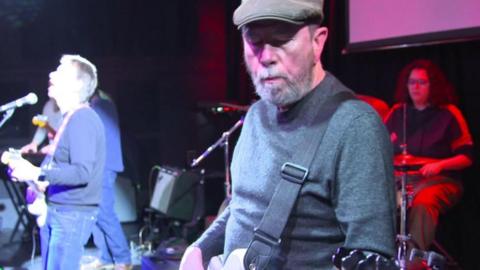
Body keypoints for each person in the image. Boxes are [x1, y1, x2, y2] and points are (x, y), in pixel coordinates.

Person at [180, 0, 397, 269]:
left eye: (281, 40)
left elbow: (371, 256)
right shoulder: (256, 115)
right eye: (254, 41)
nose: (266, 56)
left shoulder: (355, 126)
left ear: (318, 42)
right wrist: (199, 249)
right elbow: (242, 207)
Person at [7, 54, 106, 269]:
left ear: (77, 83)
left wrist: (35, 173)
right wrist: (36, 179)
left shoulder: (83, 118)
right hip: (60, 211)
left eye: (60, 71)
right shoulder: (69, 118)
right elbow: (62, 166)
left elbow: (82, 173)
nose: (52, 74)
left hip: (71, 215)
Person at [384, 59, 473, 251]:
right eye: (411, 82)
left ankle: (414, 258)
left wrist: (440, 165)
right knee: (377, 200)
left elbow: (467, 156)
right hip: (402, 180)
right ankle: (380, 253)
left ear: (432, 85)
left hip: (439, 180)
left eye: (422, 82)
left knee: (423, 204)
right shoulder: (397, 112)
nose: (415, 87)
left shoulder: (449, 113)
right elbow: (378, 148)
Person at [90, 89, 132, 270]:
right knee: (95, 214)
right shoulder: (100, 105)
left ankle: (123, 258)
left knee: (105, 214)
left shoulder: (100, 107)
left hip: (103, 167)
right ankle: (106, 257)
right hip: (99, 166)